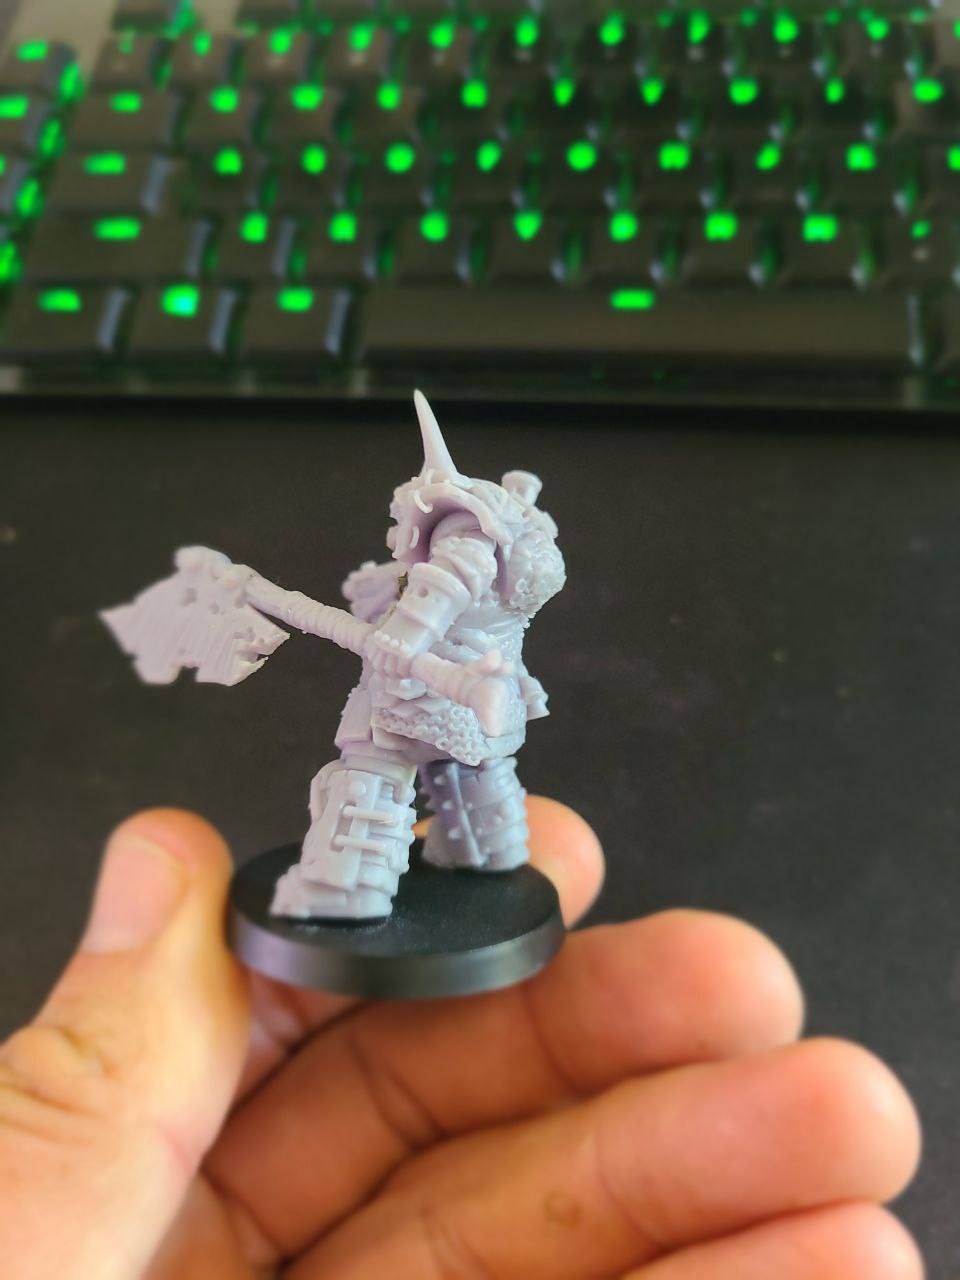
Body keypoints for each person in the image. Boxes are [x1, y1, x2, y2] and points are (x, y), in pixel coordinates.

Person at [0, 804, 921, 1279]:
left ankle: (446, 841)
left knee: (479, 813)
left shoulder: (490, 583)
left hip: (466, 720)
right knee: (378, 791)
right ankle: (372, 863)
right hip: (403, 729)